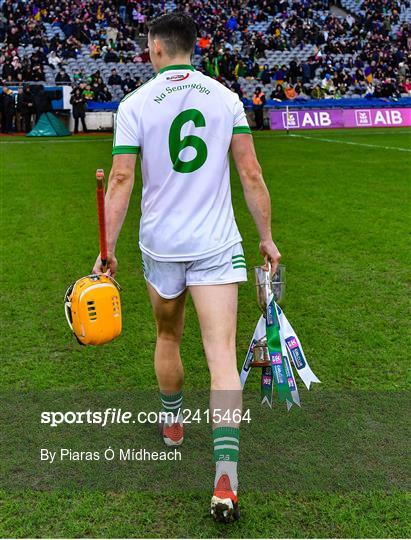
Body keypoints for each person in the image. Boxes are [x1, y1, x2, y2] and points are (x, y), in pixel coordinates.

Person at [92, 12, 280, 523]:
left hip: (162, 245)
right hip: (216, 243)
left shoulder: (133, 104)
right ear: (193, 48)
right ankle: (226, 475)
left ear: (155, 48)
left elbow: (122, 179)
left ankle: (173, 425)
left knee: (168, 335)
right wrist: (265, 237)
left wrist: (106, 250)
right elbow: (251, 172)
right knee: (220, 354)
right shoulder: (226, 98)